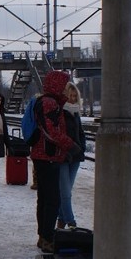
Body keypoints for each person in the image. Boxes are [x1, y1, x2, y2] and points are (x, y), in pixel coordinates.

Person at [30, 70, 79, 253]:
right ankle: (47, 238)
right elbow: (52, 131)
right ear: (57, 85)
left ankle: (43, 236)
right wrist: (70, 145)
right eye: (65, 86)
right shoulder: (49, 103)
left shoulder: (50, 101)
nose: (67, 91)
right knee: (52, 199)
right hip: (47, 156)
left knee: (44, 198)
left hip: (45, 155)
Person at [58, 81, 86, 229]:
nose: (73, 99)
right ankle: (71, 221)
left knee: (67, 191)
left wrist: (82, 147)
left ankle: (61, 221)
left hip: (75, 156)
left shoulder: (75, 113)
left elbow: (80, 133)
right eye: (70, 96)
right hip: (62, 156)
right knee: (65, 192)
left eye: (75, 96)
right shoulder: (60, 112)